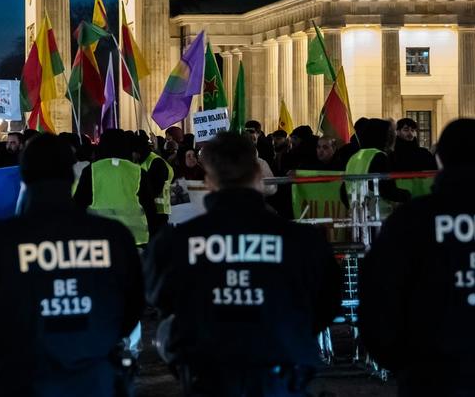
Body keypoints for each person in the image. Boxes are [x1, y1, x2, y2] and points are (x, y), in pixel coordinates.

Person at [0, 134, 145, 395]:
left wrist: (0, 337)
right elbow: (133, 306)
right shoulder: (113, 237)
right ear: (72, 176)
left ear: (24, 177)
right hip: (93, 379)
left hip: (18, 379)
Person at [144, 132, 342, 396]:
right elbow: (327, 303)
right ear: (259, 176)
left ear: (209, 181)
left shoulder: (175, 243)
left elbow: (158, 298)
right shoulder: (303, 242)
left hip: (208, 376)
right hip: (281, 373)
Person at [359, 119, 475, 395]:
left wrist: (403, 363)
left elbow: (377, 296)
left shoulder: (411, 220)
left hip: (431, 374)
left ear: (439, 159)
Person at [74, 130, 149, 246]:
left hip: (99, 237)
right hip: (135, 237)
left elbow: (79, 204)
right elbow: (149, 206)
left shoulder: (91, 170)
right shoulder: (138, 171)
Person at [341, 117, 410, 207]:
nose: (393, 137)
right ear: (381, 135)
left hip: (356, 213)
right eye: (389, 134)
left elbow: (343, 189)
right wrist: (407, 195)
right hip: (377, 213)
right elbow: (386, 189)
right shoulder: (379, 156)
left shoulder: (355, 156)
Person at [136, 132, 173, 240]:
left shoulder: (155, 161)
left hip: (159, 212)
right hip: (146, 212)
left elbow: (155, 188)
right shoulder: (141, 160)